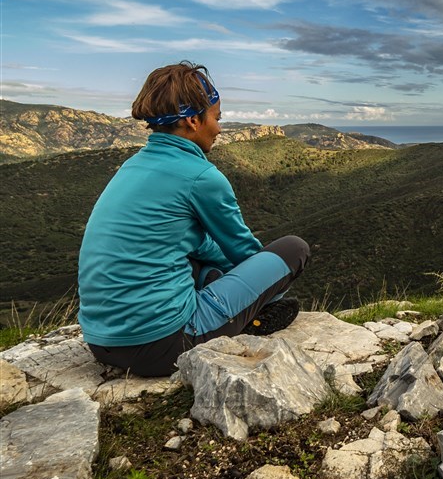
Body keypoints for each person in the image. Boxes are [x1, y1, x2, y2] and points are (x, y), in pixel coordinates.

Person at [78, 61, 309, 376]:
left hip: (102, 341)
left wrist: (218, 274)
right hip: (164, 345)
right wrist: (263, 294)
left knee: (202, 264)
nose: (219, 128)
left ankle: (227, 303)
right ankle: (249, 319)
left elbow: (195, 242)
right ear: (191, 120)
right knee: (294, 249)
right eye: (216, 117)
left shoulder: (132, 166)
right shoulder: (201, 176)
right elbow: (244, 253)